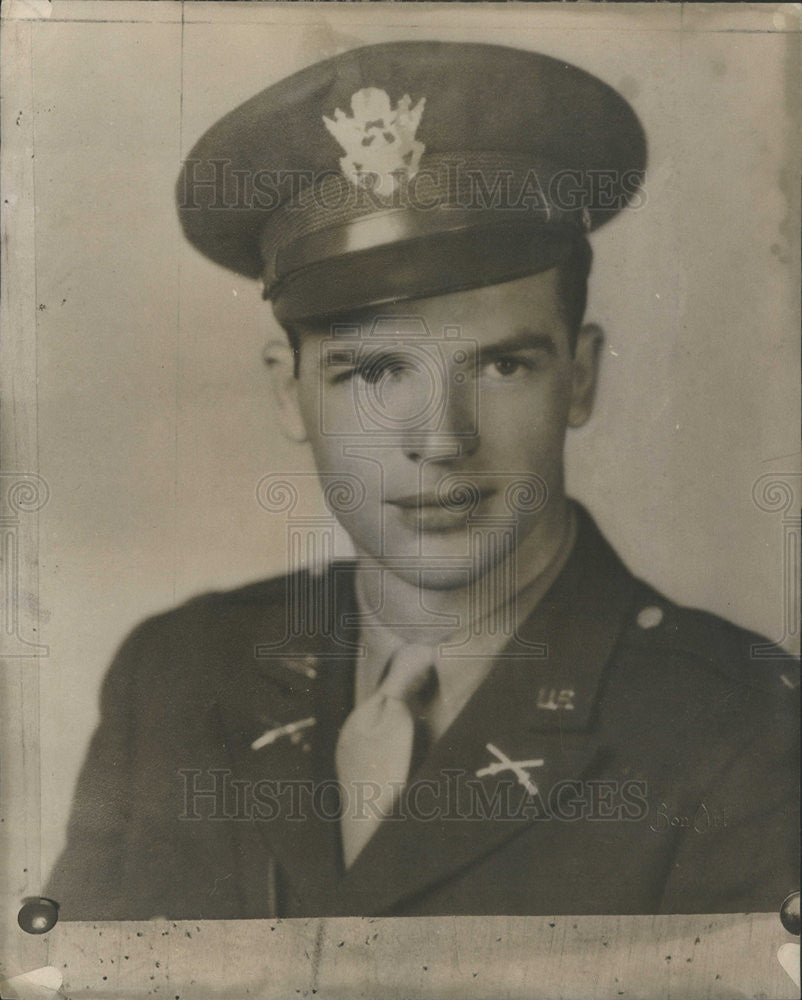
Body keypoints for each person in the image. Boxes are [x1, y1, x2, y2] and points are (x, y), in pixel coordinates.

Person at [47, 41, 799, 920]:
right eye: (372, 374)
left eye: (501, 366)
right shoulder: (175, 681)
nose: (440, 440)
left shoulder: (740, 735)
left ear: (581, 377)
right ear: (289, 395)